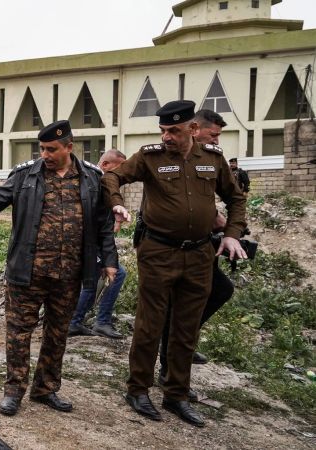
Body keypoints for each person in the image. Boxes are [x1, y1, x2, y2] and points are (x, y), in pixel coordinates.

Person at [0, 121, 118, 416]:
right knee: (18, 333)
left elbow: (104, 224)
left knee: (57, 334)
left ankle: (45, 389)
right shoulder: (25, 176)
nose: (45, 154)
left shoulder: (92, 179)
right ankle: (14, 391)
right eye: (42, 148)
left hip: (69, 275)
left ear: (69, 147)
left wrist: (109, 261)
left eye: (52, 149)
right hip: (27, 272)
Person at [102, 100, 247, 428]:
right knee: (149, 325)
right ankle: (138, 389)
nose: (166, 136)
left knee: (186, 327)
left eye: (174, 130)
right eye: (163, 130)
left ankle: (176, 394)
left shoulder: (212, 159)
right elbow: (112, 179)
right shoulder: (150, 156)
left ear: (193, 129)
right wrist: (117, 204)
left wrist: (232, 234)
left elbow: (236, 197)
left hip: (198, 254)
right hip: (158, 251)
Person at [158, 109, 236, 401]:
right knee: (179, 306)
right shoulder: (171, 156)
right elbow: (175, 197)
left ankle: (181, 346)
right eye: (213, 134)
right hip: (171, 245)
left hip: (201, 243)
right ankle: (171, 360)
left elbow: (227, 195)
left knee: (215, 292)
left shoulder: (210, 158)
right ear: (195, 129)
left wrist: (227, 226)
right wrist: (213, 215)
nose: (216, 140)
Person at [68, 149, 128, 339]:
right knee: (100, 277)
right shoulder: (94, 182)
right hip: (85, 244)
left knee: (101, 276)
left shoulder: (100, 184)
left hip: (91, 244)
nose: (121, 176)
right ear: (105, 165)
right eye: (118, 170)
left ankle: (79, 321)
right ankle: (91, 322)